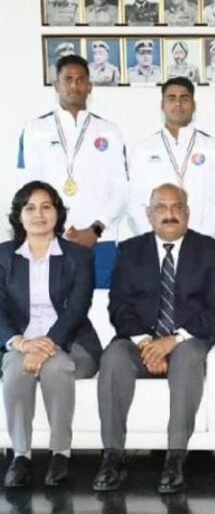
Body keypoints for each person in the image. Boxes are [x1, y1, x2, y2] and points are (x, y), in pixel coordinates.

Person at [92, 184, 215, 494]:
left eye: (176, 207)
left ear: (187, 213)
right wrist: (145, 343)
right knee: (113, 357)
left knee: (188, 356)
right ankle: (112, 455)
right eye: (161, 208)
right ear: (148, 214)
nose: (169, 214)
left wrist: (173, 340)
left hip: (188, 340)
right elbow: (119, 306)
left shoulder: (210, 250)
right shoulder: (130, 251)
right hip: (140, 341)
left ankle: (175, 458)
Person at [0, 181, 101, 488]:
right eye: (30, 207)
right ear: (19, 216)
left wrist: (46, 345)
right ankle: (21, 456)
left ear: (57, 213)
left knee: (56, 366)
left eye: (46, 206)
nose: (39, 214)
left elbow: (78, 308)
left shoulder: (78, 256)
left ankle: (60, 454)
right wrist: (21, 343)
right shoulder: (3, 256)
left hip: (71, 342)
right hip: (21, 343)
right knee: (16, 370)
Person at [17, 55, 128, 289]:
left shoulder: (110, 131)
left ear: (90, 86)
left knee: (101, 305)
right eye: (68, 79)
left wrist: (95, 229)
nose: (74, 85)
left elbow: (121, 188)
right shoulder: (35, 130)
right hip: (51, 237)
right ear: (57, 85)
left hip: (101, 239)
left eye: (80, 80)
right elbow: (29, 189)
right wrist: (60, 229)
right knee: (51, 303)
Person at [127, 77, 215, 238]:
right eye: (171, 98)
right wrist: (153, 238)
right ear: (162, 105)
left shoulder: (213, 148)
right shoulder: (143, 149)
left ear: (194, 105)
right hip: (154, 243)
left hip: (201, 243)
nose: (178, 103)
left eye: (184, 98)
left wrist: (200, 240)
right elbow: (134, 200)